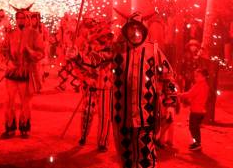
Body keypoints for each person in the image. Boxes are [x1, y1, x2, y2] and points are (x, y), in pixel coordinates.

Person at [111, 10, 177, 168]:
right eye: (131, 28)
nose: (135, 32)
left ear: (143, 30)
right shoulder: (116, 50)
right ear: (126, 30)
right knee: (126, 160)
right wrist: (76, 55)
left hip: (146, 117)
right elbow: (95, 61)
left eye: (138, 29)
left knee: (146, 159)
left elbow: (169, 77)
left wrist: (170, 103)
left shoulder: (153, 51)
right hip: (122, 117)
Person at [0, 9, 44, 138]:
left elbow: (41, 53)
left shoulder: (35, 34)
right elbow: (4, 49)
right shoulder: (11, 33)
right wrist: (8, 61)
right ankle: (10, 127)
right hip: (12, 72)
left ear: (28, 19)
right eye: (18, 18)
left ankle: (24, 127)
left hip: (26, 73)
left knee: (25, 102)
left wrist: (31, 52)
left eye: (23, 18)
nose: (20, 20)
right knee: (9, 101)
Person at [73, 24, 114, 152]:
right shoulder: (88, 47)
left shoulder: (112, 49)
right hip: (91, 85)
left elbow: (97, 59)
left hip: (106, 86)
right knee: (87, 111)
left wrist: (79, 57)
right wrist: (86, 78)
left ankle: (103, 142)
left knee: (105, 115)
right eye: (104, 36)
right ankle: (83, 136)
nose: (106, 39)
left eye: (108, 36)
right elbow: (79, 66)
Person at [180, 69, 210, 151]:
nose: (195, 78)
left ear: (203, 77)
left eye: (197, 76)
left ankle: (197, 144)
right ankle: (196, 143)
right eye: (195, 76)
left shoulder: (199, 85)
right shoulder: (204, 85)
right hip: (200, 110)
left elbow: (190, 94)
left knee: (193, 127)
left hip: (196, 110)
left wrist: (179, 95)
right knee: (195, 127)